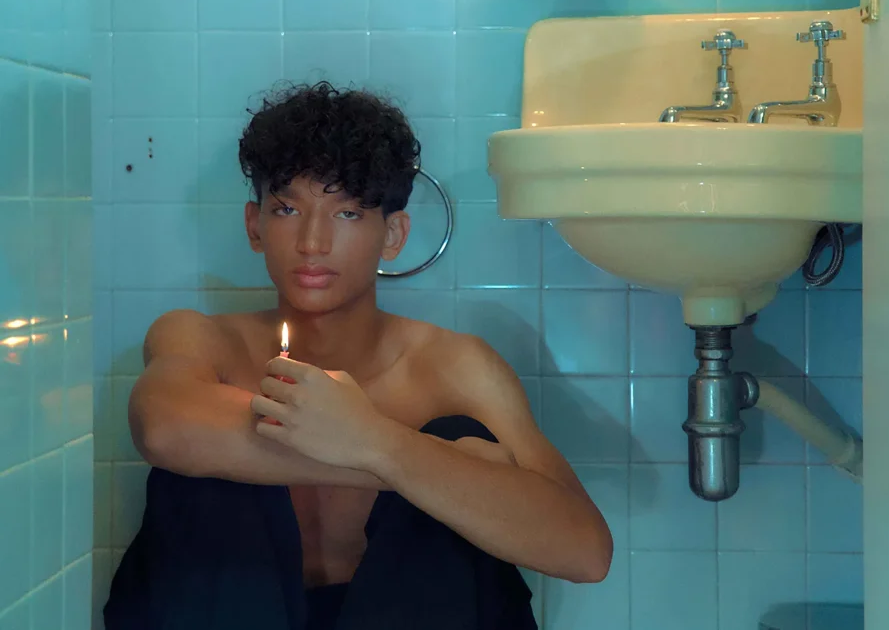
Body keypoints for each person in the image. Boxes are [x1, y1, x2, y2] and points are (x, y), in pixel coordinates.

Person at [104, 82, 613, 630]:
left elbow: (584, 551)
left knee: (450, 437)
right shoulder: (203, 340)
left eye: (346, 214)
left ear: (393, 234)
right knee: (203, 477)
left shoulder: (457, 367)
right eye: (286, 209)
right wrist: (388, 461)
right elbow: (161, 428)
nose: (313, 243)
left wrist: (379, 441)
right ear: (255, 226)